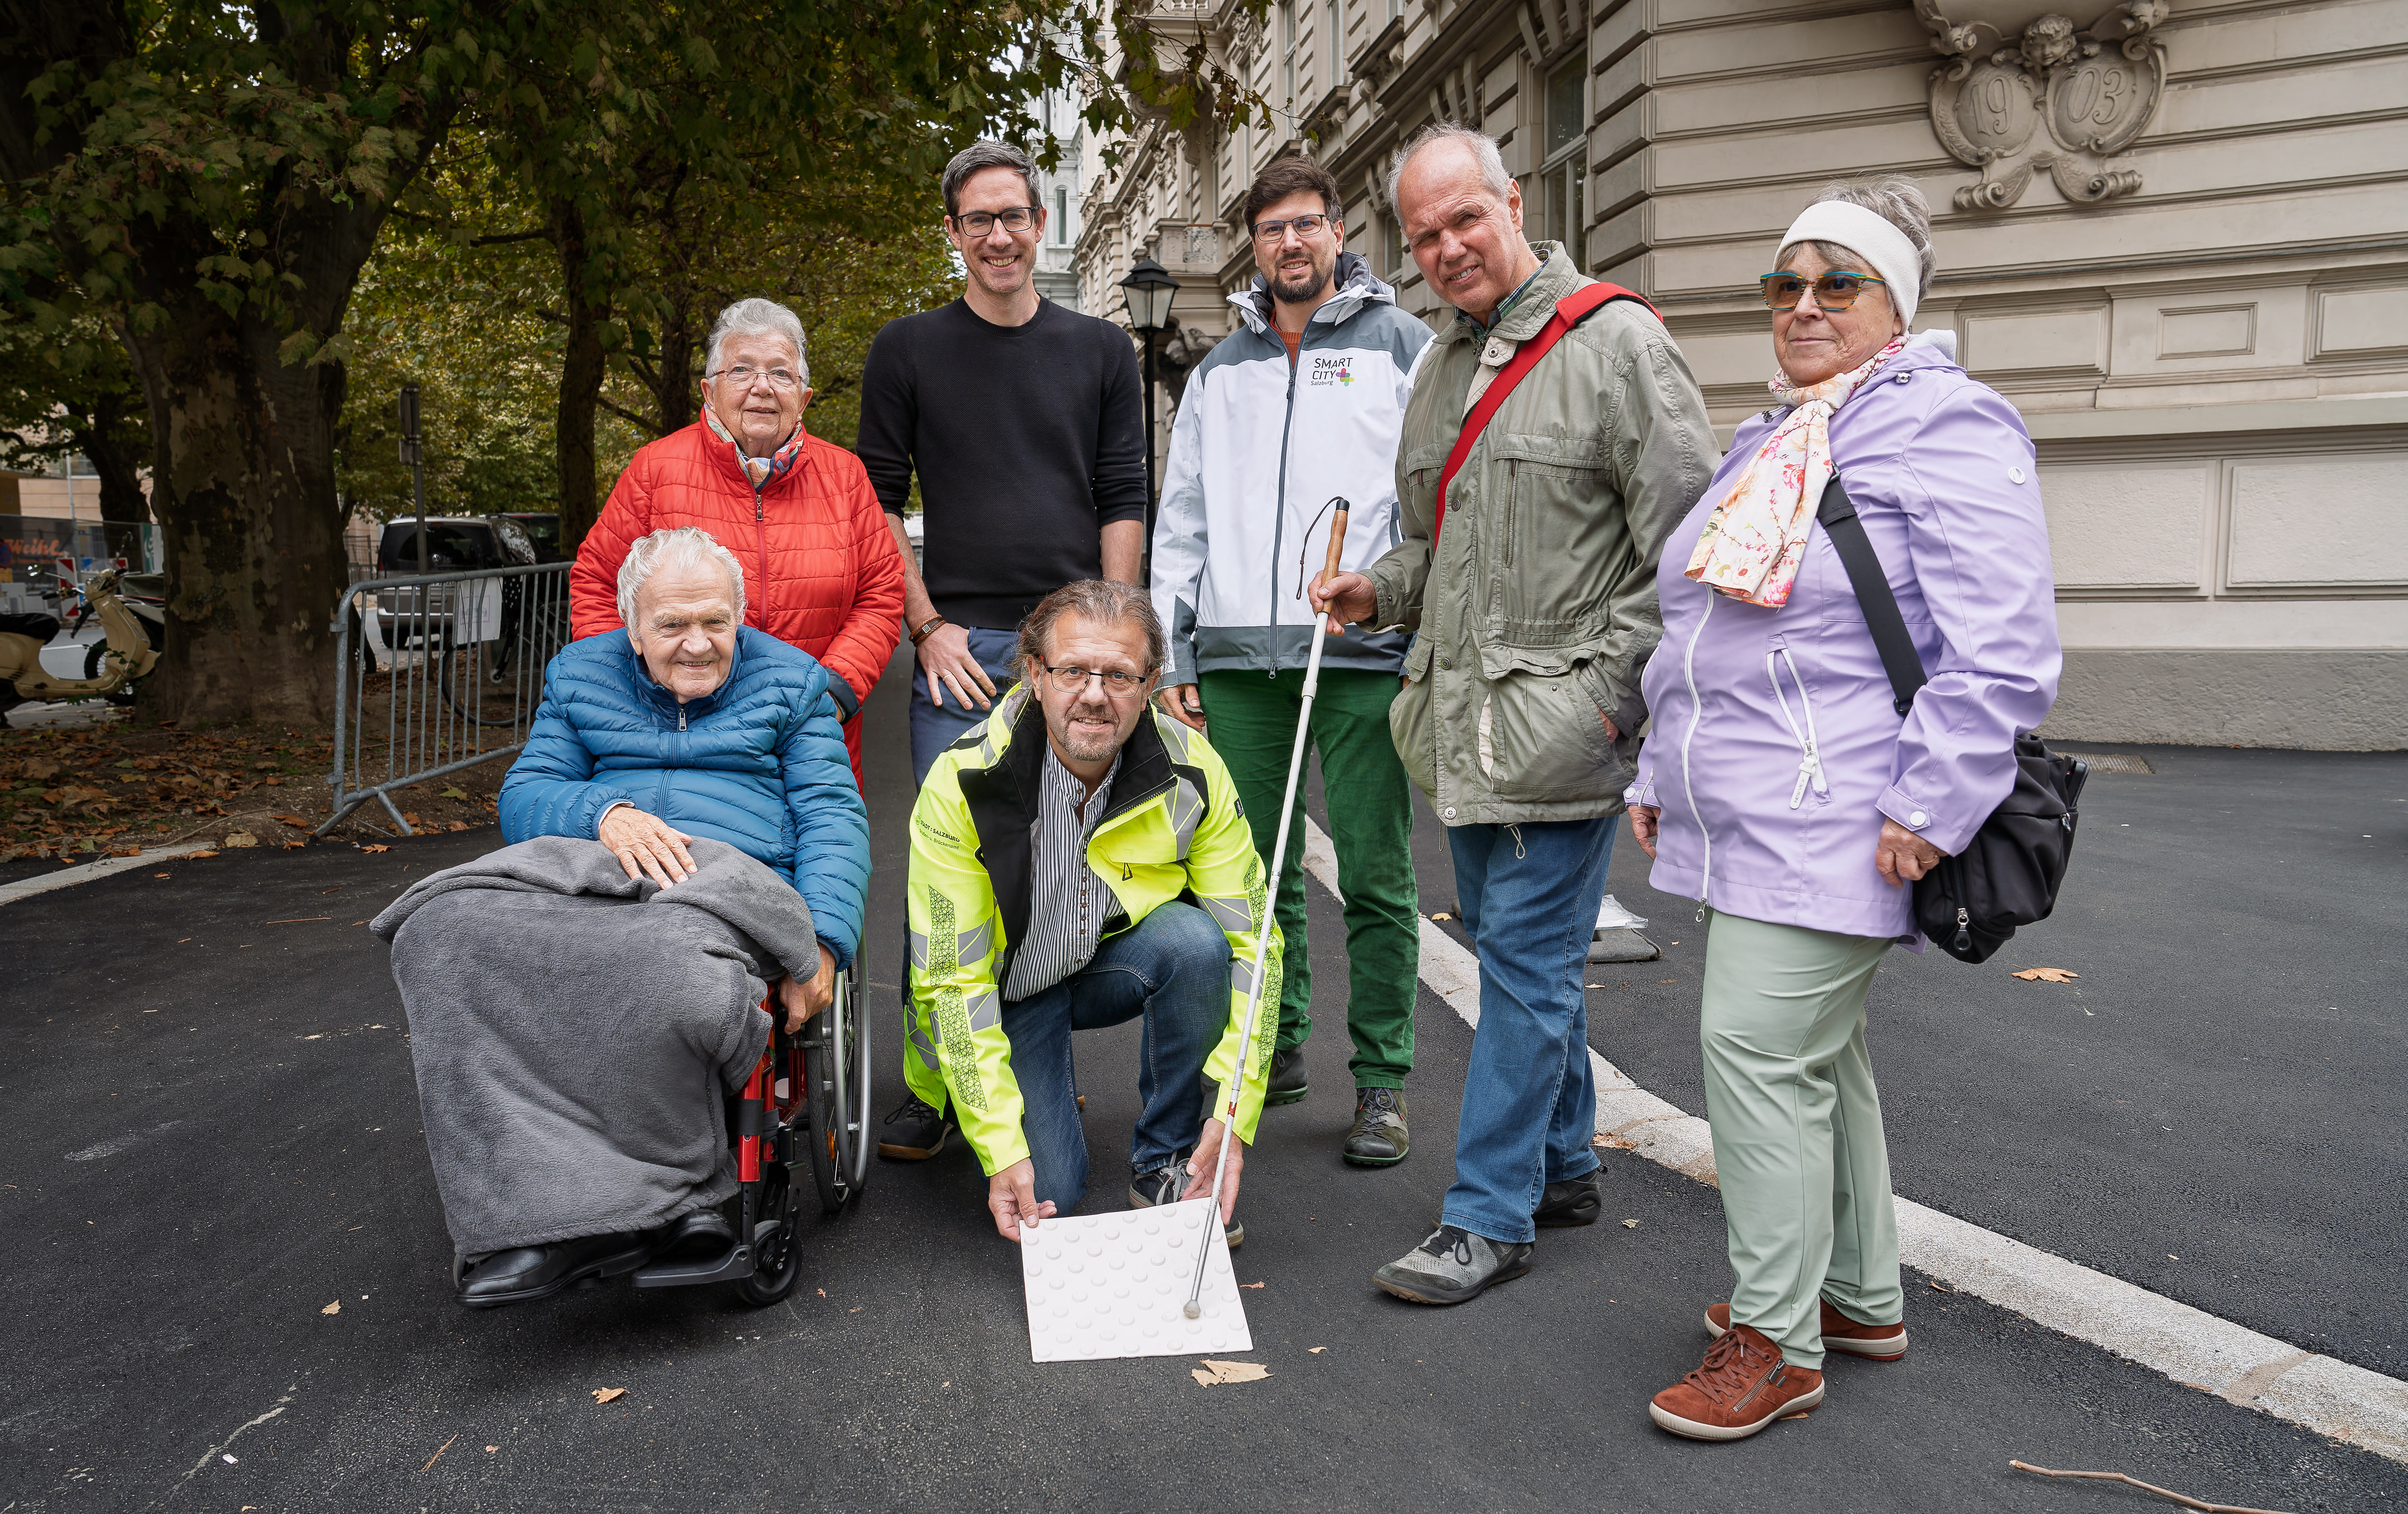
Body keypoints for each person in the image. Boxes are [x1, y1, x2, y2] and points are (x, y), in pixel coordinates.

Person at [1624, 180, 2059, 1440]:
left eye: (1836, 283)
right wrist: (1659, 770)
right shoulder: (1778, 435)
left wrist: (1932, 800)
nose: (1802, 305)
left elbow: (2002, 649)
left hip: (1848, 814)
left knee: (1757, 1051)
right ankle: (1858, 1294)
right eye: (1783, 284)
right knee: (1823, 1058)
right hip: (1753, 811)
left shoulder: (1946, 426)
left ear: (1894, 305)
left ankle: (1774, 1340)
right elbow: (1695, 625)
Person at [1308, 124, 1715, 1305]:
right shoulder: (1440, 366)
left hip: (1562, 731)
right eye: (1422, 235)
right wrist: (1375, 586)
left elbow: (1687, 554)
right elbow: (1439, 544)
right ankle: (1568, 1159)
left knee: (1527, 971)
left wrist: (1607, 703)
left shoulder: (1616, 342)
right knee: (1519, 959)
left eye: (1462, 221)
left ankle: (1488, 1213)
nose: (1444, 249)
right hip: (1466, 731)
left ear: (1512, 202)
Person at [384, 528, 869, 1309]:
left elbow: (831, 814)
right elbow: (525, 793)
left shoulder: (793, 684)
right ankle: (526, 1216)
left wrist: (823, 943)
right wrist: (599, 809)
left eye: (715, 621)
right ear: (630, 624)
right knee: (440, 937)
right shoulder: (580, 675)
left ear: (741, 616)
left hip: (727, 880)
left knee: (673, 969)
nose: (696, 644)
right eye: (671, 625)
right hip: (597, 873)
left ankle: (677, 1199)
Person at [858, 138, 1149, 1160]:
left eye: (1012, 215)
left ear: (1040, 224)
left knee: (1084, 863)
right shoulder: (906, 350)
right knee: (945, 880)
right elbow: (875, 501)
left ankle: (1036, 1068)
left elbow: (1122, 494)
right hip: (963, 649)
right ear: (953, 233)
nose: (996, 235)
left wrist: (1114, 634)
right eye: (976, 219)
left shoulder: (1104, 352)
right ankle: (933, 1085)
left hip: (1074, 650)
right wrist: (923, 622)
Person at [1148, 157, 1431, 1167]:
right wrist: (1173, 643)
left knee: (1374, 870)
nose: (1290, 244)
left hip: (1358, 647)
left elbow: (1430, 501)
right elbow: (1179, 520)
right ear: (1253, 246)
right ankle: (1275, 1043)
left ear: (1337, 229)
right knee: (1249, 873)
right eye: (1271, 230)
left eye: (1306, 224)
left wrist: (1403, 609)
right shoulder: (1219, 371)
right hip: (1233, 658)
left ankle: (1384, 1076)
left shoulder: (1403, 347)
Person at [903, 580, 1279, 1246]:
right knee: (1045, 1191)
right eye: (1072, 669)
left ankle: (1168, 1158)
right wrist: (1001, 1147)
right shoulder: (962, 783)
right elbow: (950, 981)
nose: (1095, 694)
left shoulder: (1193, 771)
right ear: (1034, 675)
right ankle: (979, 1096)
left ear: (1151, 681)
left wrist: (1234, 1112)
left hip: (1101, 958)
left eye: (1120, 675)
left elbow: (1258, 945)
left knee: (1198, 944)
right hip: (1004, 987)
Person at [568, 297, 904, 790]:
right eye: (742, 369)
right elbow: (598, 582)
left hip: (808, 739)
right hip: (678, 738)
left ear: (804, 396)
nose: (762, 387)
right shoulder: (654, 470)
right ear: (709, 390)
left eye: (780, 373)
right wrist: (629, 688)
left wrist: (830, 692)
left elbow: (881, 592)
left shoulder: (845, 476)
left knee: (817, 859)